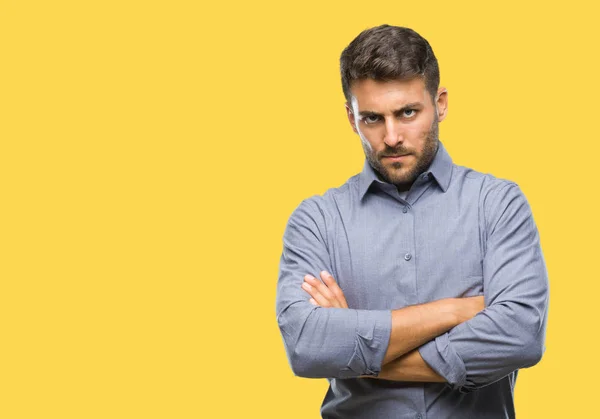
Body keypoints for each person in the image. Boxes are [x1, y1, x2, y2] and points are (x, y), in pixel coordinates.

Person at [275, 24, 549, 419]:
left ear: (440, 104)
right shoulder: (316, 220)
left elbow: (521, 336)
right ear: (352, 119)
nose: (391, 137)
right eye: (372, 118)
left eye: (407, 113)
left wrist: (354, 349)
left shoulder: (498, 204)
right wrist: (456, 311)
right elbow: (306, 346)